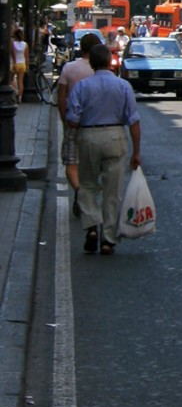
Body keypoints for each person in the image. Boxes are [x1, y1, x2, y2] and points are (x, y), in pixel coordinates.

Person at [67, 44, 141, 255]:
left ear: (91, 63)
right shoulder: (123, 86)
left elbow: (73, 119)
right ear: (110, 62)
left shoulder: (82, 87)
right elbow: (134, 121)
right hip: (115, 135)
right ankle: (108, 238)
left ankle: (91, 225)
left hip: (89, 135)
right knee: (112, 191)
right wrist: (136, 151)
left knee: (88, 184)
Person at [58, 31, 103, 217]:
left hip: (73, 122)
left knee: (71, 163)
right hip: (96, 124)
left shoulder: (69, 68)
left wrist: (64, 119)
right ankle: (86, 194)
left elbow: (61, 97)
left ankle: (78, 190)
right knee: (93, 165)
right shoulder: (101, 71)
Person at [11, 28, 29, 102]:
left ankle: (14, 94)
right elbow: (27, 57)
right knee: (20, 81)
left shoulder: (13, 43)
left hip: (14, 64)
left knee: (11, 80)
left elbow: (12, 54)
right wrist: (27, 66)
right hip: (22, 64)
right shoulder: (25, 44)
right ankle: (20, 97)